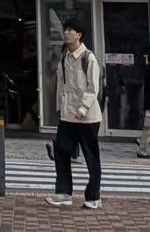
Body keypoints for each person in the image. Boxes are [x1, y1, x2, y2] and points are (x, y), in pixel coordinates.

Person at [48, 22, 104, 210]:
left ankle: (93, 196)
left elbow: (93, 87)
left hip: (87, 117)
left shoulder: (88, 57)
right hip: (68, 115)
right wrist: (60, 107)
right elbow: (61, 84)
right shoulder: (64, 56)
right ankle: (63, 193)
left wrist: (83, 108)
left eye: (70, 30)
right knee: (61, 151)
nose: (66, 33)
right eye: (65, 30)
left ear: (79, 35)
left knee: (91, 155)